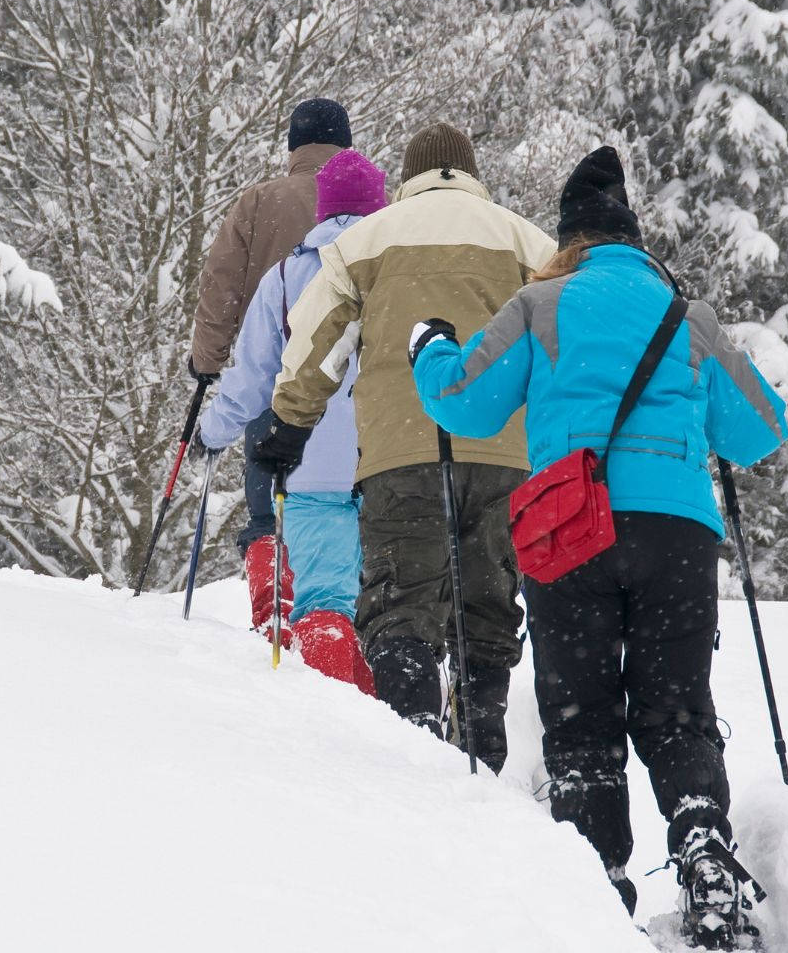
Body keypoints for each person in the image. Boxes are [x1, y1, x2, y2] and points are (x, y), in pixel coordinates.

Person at [406, 146, 788, 942]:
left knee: (579, 718)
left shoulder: (541, 303)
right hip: (677, 534)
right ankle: (703, 844)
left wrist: (430, 347)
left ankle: (594, 889)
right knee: (678, 711)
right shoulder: (686, 317)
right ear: (636, 243)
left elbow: (464, 404)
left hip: (570, 532)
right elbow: (759, 431)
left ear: (568, 242)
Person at [257, 123, 554, 773]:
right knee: (487, 607)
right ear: (472, 172)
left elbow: (313, 339)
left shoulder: (367, 239)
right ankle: (483, 751)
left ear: (410, 175)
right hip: (505, 457)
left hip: (400, 455)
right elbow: (570, 335)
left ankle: (413, 751)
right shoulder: (525, 240)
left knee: (400, 606)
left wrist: (289, 425)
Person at [196, 151, 387, 692]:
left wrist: (214, 433)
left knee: (324, 600)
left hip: (311, 462)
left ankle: (335, 720)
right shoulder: (400, 272)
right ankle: (401, 729)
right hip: (393, 461)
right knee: (391, 610)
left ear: (323, 209)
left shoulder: (285, 276)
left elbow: (253, 377)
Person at [190, 98, 351, 634]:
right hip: (362, 399)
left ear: (292, 147)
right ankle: (342, 624)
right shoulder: (381, 209)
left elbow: (222, 284)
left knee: (267, 514)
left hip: (275, 386)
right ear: (346, 144)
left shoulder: (261, 201)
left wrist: (207, 364)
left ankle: (272, 612)